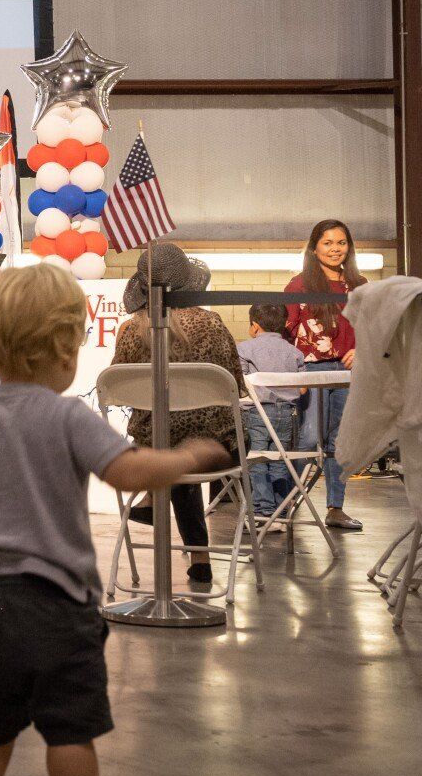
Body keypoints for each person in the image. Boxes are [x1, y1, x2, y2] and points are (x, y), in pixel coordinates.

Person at [0, 264, 229, 776]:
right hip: (59, 604)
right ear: (64, 352)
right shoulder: (67, 417)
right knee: (69, 732)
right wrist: (184, 458)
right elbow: (128, 473)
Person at [110, 243, 243, 591]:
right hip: (213, 453)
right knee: (188, 443)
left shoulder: (130, 332)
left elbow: (116, 388)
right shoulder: (213, 325)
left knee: (169, 443)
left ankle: (155, 498)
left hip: (152, 452)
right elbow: (236, 386)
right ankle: (200, 560)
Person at [285, 218, 366, 531]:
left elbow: (375, 326)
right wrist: (293, 374)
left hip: (347, 374)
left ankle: (336, 508)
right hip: (312, 371)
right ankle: (285, 503)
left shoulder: (359, 285)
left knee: (339, 441)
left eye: (341, 242)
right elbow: (286, 332)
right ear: (315, 247)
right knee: (306, 439)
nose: (336, 249)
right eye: (328, 243)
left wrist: (362, 351)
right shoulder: (299, 285)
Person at [237, 302, 308, 527]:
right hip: (286, 413)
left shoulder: (245, 349)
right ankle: (280, 511)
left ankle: (263, 512)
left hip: (257, 412)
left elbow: (243, 383)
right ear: (285, 324)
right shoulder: (294, 352)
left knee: (257, 460)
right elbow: (303, 387)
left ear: (255, 327)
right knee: (280, 460)